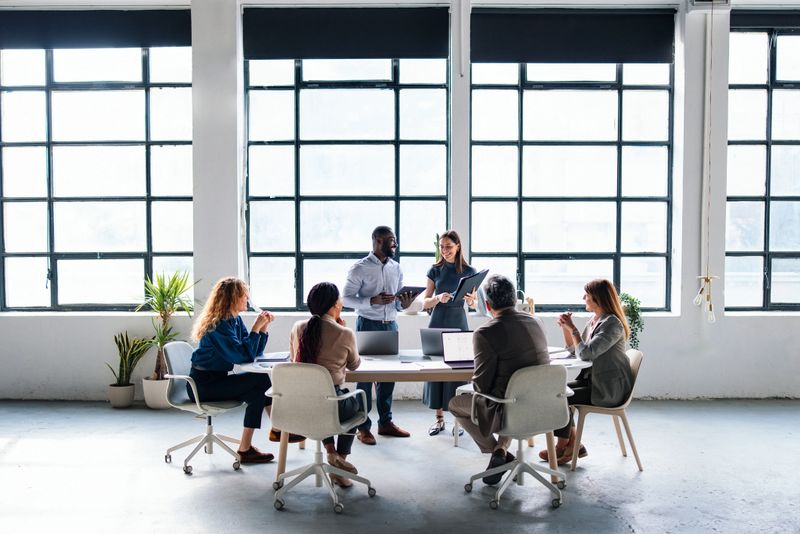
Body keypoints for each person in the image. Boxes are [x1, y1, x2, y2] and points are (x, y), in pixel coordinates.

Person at [448, 274, 550, 485]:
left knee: (456, 404)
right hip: (545, 406)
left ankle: (497, 451)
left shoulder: (485, 332)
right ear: (514, 299)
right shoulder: (536, 322)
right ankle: (502, 451)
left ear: (487, 304)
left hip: (508, 409)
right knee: (511, 396)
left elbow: (481, 386)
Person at [540, 278, 634, 466]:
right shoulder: (596, 320)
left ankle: (563, 445)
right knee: (557, 392)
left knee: (561, 397)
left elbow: (587, 354)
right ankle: (573, 444)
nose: (584, 297)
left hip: (609, 388)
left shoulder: (612, 324)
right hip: (594, 381)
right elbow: (575, 350)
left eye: (587, 295)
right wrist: (567, 329)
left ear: (598, 299)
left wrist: (573, 328)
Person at [189, 277, 275, 464]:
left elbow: (251, 353)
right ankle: (278, 428)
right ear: (233, 298)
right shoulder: (219, 325)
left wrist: (263, 329)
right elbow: (242, 357)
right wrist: (255, 328)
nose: (247, 299)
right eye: (244, 295)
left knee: (257, 392)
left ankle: (245, 449)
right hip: (203, 385)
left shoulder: (234, 320)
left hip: (216, 379)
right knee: (260, 381)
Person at [342, 225, 415, 445]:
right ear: (377, 241)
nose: (395, 244)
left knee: (388, 377)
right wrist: (370, 301)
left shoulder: (396, 268)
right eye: (390, 240)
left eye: (395, 240)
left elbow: (400, 300)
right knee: (365, 377)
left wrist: (406, 303)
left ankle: (385, 423)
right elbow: (345, 299)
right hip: (368, 325)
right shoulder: (359, 268)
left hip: (390, 325)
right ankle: (363, 427)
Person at [289, 282, 363, 488]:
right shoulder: (344, 333)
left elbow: (292, 358)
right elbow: (355, 365)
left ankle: (330, 452)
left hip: (298, 405)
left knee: (323, 400)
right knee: (359, 403)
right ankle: (340, 463)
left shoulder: (297, 327)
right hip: (330, 405)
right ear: (334, 305)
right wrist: (344, 330)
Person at [421, 230, 477, 436]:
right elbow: (424, 302)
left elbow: (474, 302)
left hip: (459, 321)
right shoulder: (435, 270)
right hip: (437, 320)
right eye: (442, 247)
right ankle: (439, 419)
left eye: (448, 247)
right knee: (436, 370)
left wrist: (471, 301)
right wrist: (437, 298)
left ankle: (458, 421)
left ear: (458, 246)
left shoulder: (470, 270)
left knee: (458, 372)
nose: (444, 251)